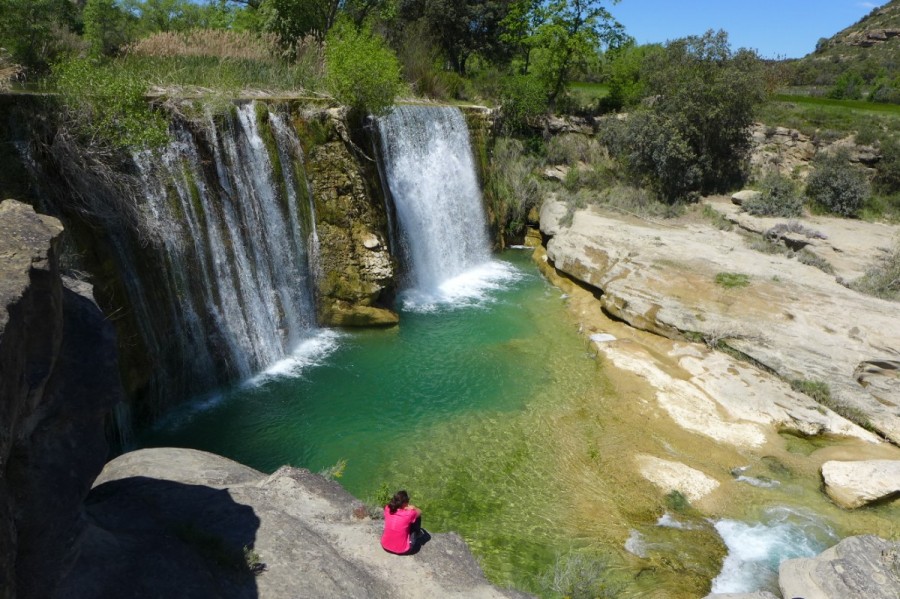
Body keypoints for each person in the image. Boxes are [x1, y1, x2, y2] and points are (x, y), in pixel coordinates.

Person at [381, 490, 426, 555]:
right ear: (405, 503)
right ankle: (418, 534)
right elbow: (420, 512)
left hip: (385, 546)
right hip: (403, 550)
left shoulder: (387, 508)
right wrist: (413, 508)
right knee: (417, 517)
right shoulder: (409, 513)